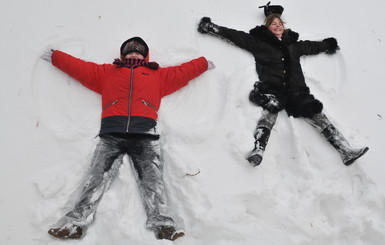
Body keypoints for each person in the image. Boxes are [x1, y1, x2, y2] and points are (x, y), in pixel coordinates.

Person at [41, 36, 215, 241]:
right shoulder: (107, 72)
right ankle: (75, 224)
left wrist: (202, 64)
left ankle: (163, 225)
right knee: (96, 178)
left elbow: (182, 72)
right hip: (111, 134)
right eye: (130, 51)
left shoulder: (156, 75)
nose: (134, 54)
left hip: (145, 135)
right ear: (122, 55)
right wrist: (56, 57)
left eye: (138, 51)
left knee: (153, 181)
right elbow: (80, 68)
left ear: (145, 55)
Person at [197, 3, 368, 167]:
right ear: (267, 27)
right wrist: (212, 27)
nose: (277, 26)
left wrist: (327, 45)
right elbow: (236, 36)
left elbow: (312, 46)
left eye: (280, 23)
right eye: (273, 24)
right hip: (273, 88)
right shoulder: (259, 43)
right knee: (270, 112)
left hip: (296, 90)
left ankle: (345, 150)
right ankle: (259, 150)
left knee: (316, 113)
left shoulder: (293, 45)